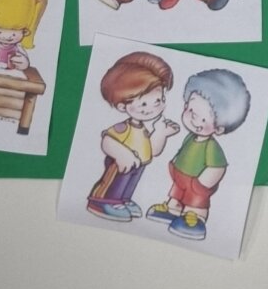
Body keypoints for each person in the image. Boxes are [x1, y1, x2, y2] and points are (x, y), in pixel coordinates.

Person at [148, 68, 254, 239]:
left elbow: (218, 167)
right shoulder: (190, 137)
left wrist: (202, 183)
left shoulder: (211, 147)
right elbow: (183, 151)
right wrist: (174, 165)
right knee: (176, 196)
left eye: (203, 118)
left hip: (197, 184)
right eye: (190, 110)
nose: (193, 119)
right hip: (180, 178)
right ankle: (172, 208)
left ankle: (195, 218)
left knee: (195, 201)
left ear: (219, 128)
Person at [88, 51, 179, 222]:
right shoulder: (123, 127)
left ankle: (123, 200)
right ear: (122, 106)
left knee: (129, 185)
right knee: (115, 183)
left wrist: (161, 133)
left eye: (158, 101)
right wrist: (122, 154)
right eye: (143, 103)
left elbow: (153, 151)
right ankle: (102, 202)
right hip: (120, 164)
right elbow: (107, 140)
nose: (152, 108)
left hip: (138, 165)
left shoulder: (142, 129)